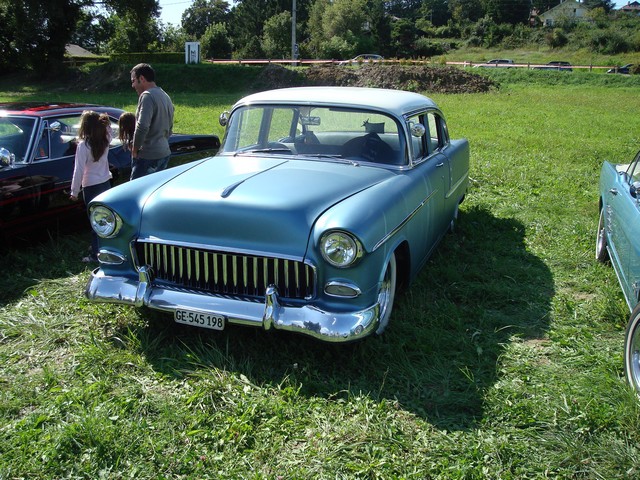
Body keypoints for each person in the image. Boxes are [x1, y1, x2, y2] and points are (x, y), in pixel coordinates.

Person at [69, 111, 113, 262]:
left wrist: (74, 191)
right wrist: (105, 120)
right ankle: (105, 246)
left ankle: (95, 254)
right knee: (105, 218)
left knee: (95, 221)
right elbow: (109, 129)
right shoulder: (106, 140)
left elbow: (79, 169)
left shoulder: (83, 145)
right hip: (105, 182)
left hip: (90, 186)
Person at [129, 63, 174, 180]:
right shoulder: (165, 95)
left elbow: (142, 126)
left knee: (135, 192)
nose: (132, 85)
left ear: (142, 79)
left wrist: (134, 150)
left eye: (133, 81)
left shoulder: (147, 96)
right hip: (164, 152)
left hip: (148, 156)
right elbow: (170, 128)